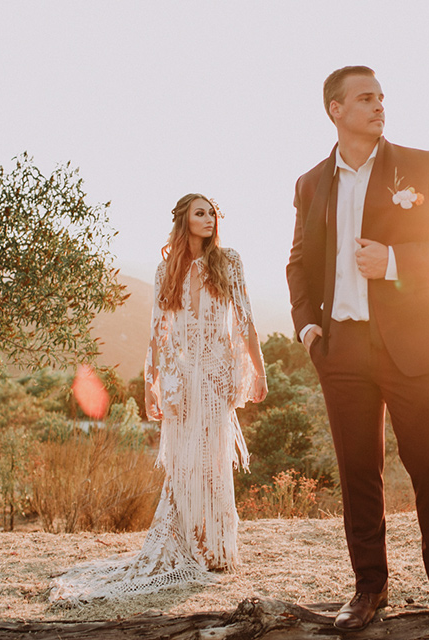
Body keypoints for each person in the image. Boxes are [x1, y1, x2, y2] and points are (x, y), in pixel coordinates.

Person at [286, 66, 429, 633]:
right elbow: (298, 262)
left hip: (412, 345)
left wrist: (395, 261)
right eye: (365, 98)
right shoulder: (310, 182)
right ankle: (369, 589)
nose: (379, 107)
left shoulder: (423, 165)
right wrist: (307, 326)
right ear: (335, 109)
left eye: (381, 98)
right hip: (340, 348)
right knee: (358, 473)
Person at [51, 193, 268, 603]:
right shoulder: (166, 267)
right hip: (181, 378)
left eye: (212, 213)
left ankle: (216, 549)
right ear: (184, 219)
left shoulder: (230, 261)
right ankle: (191, 545)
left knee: (214, 458)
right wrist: (152, 386)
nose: (209, 219)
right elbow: (157, 334)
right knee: (187, 461)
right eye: (200, 213)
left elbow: (246, 321)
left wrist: (259, 372)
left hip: (217, 375)